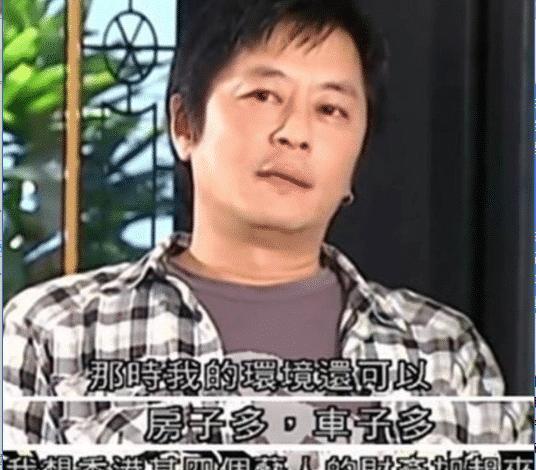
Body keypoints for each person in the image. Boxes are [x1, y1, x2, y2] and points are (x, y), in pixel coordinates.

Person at [4, 0, 531, 444]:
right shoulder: (55, 333)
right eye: (263, 96)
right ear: (184, 125)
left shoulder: (444, 353)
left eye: (330, 109)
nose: (294, 133)